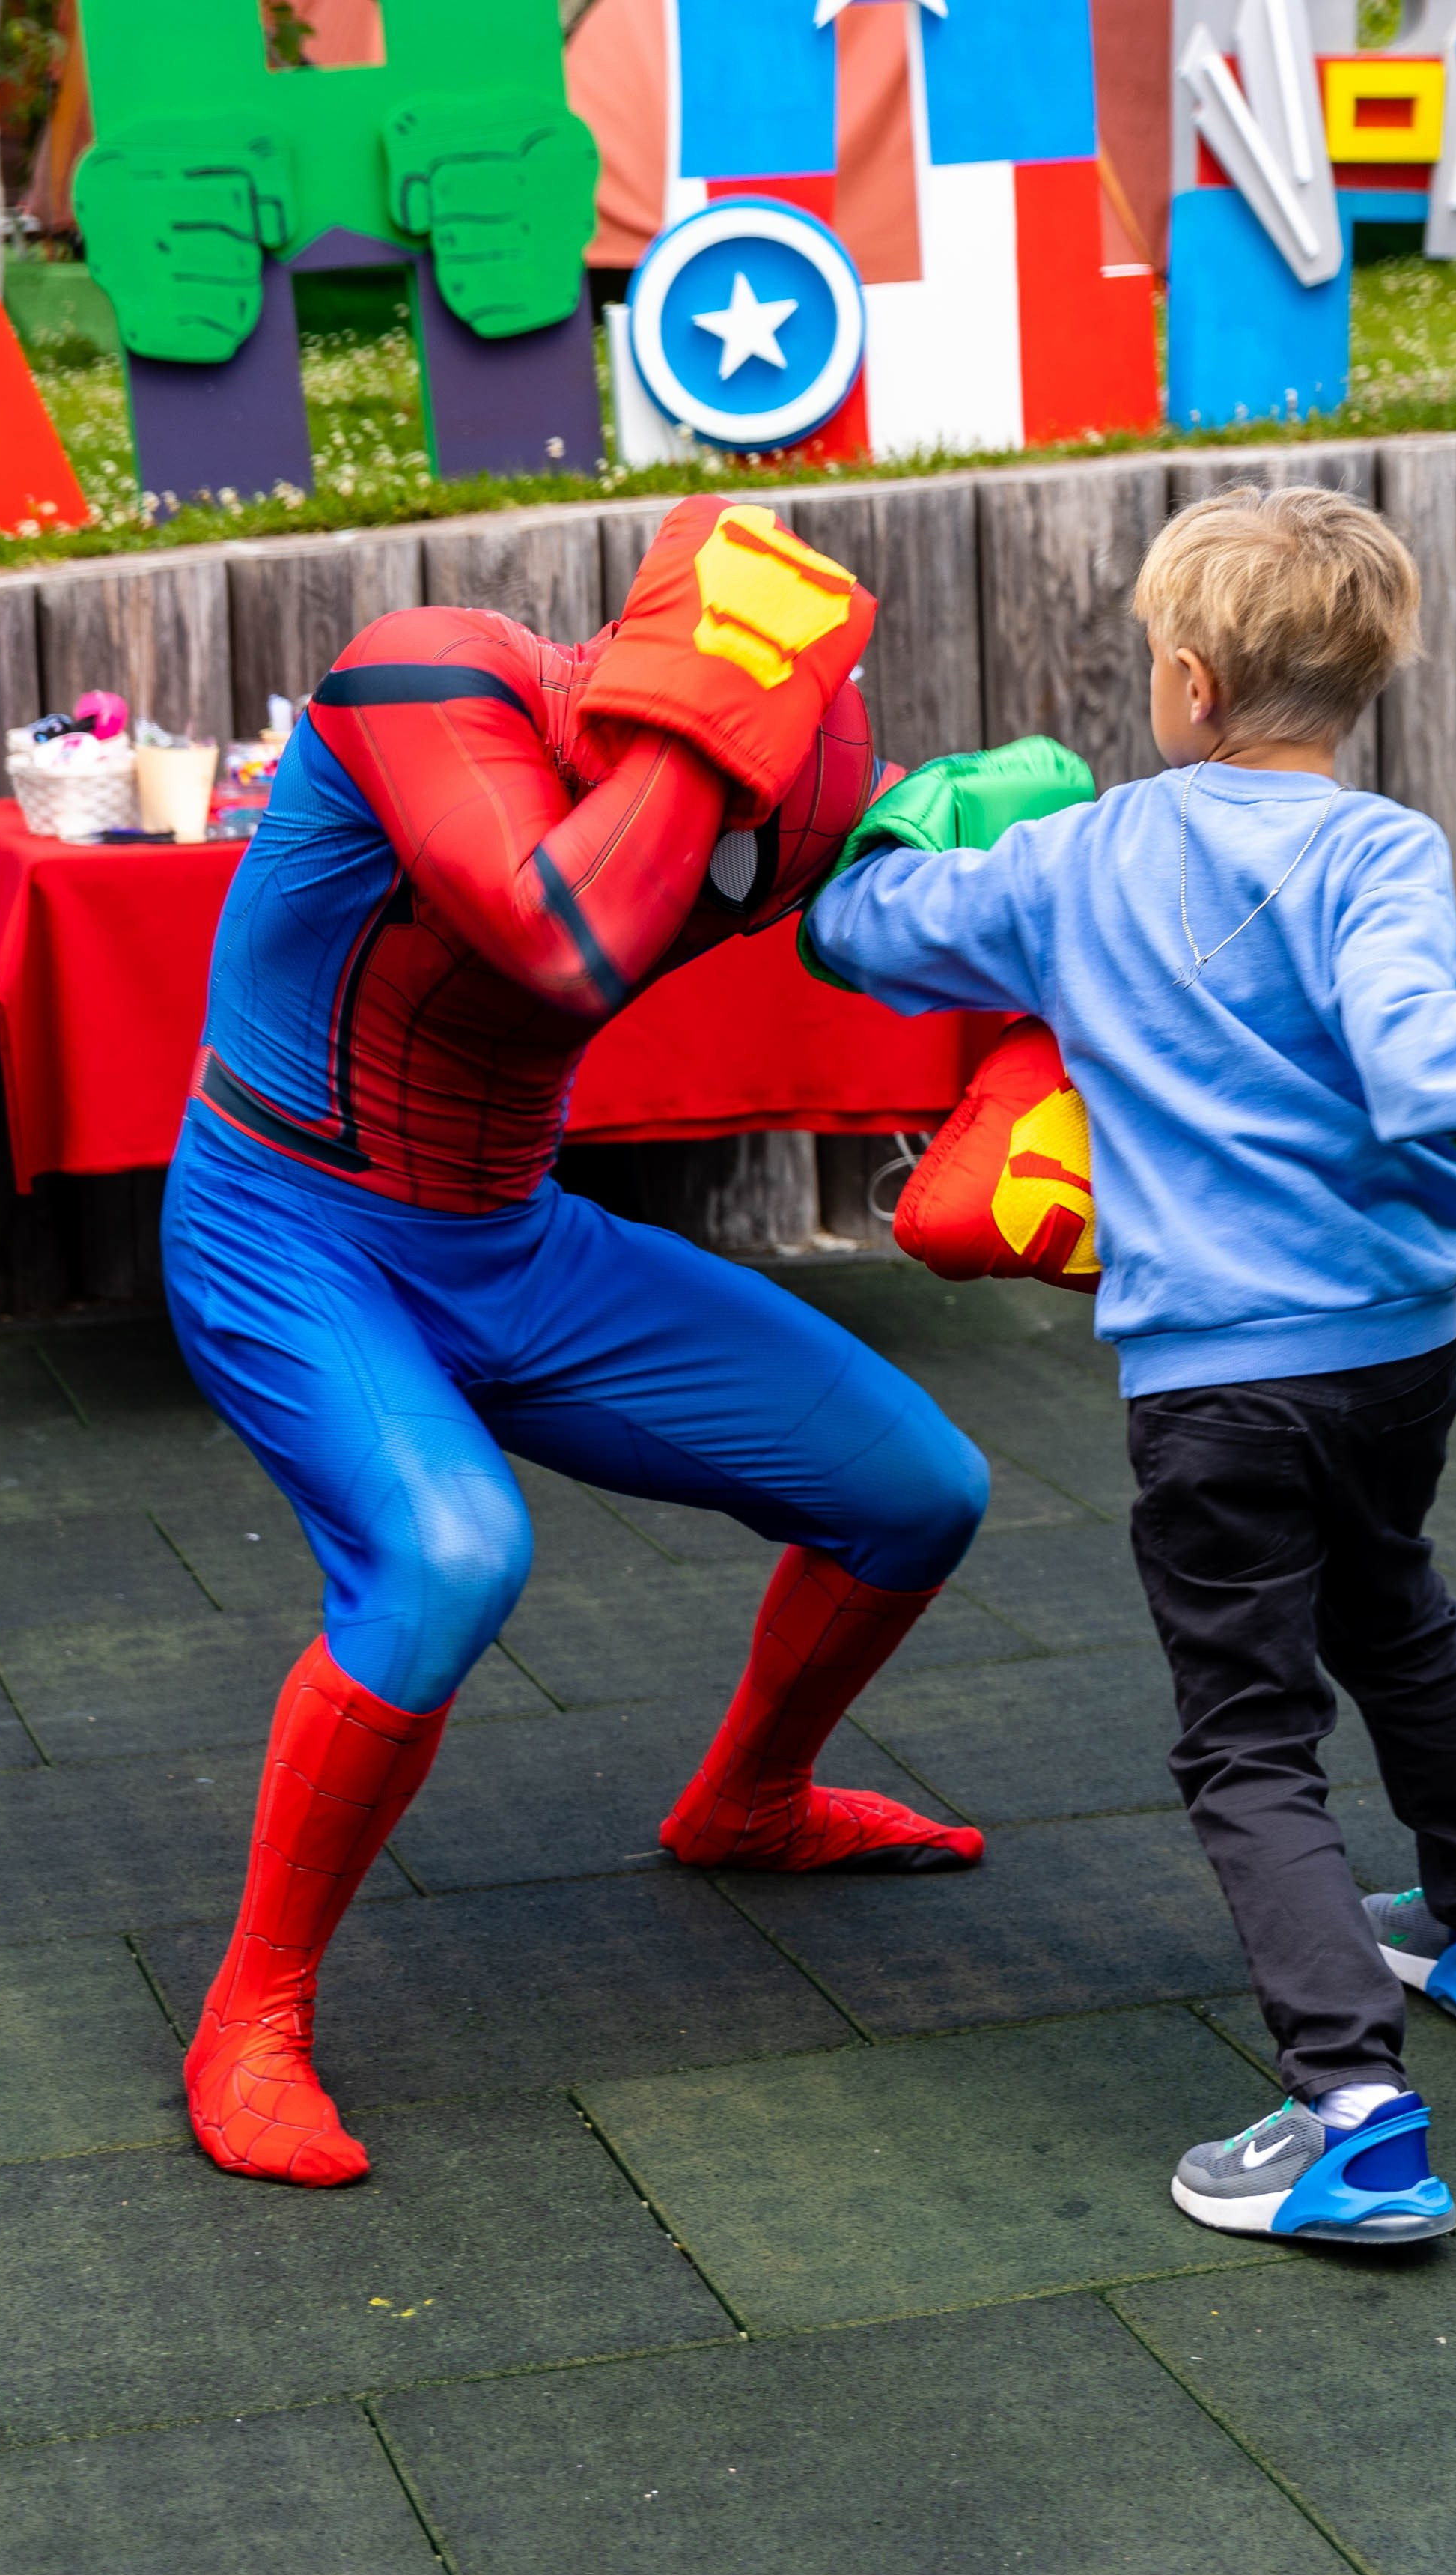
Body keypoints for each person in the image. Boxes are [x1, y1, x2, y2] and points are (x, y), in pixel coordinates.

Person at [161, 495, 991, 2191]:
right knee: (450, 1556)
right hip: (285, 1230)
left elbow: (933, 927)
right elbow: (558, 928)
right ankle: (253, 2007)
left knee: (922, 1484)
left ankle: (749, 1801)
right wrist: (711, 720)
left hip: (517, 1245)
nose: (726, 879)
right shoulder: (425, 683)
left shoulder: (780, 805)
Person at [800, 484, 1456, 2247]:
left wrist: (907, 825)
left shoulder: (1082, 857)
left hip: (1215, 1379)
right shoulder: (1378, 851)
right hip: (1395, 1353)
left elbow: (857, 933)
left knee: (1247, 1741)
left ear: (1190, 683)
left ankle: (1356, 2117)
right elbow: (1420, 1056)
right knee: (1393, 1606)